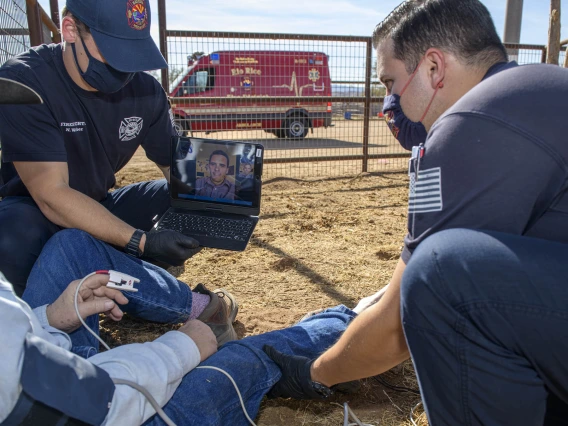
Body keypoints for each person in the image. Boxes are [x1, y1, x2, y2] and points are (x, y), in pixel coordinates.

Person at [263, 0, 568, 424]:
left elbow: (397, 324)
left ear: (433, 68)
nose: (391, 101)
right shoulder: (543, 82)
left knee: (441, 274)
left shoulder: (470, 122)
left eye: (391, 83)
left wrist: (314, 373)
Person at [3, 228, 361, 426]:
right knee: (237, 363)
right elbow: (104, 402)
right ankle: (357, 322)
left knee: (70, 245)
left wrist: (47, 318)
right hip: (94, 406)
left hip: (44, 370)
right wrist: (183, 347)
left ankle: (203, 307)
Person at [0, 0, 200, 297]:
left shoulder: (145, 91)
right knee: (11, 234)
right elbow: (51, 194)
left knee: (186, 199)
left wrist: (222, 199)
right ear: (70, 30)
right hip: (36, 213)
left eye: (134, 53)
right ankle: (49, 308)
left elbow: (176, 166)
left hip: (99, 203)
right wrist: (140, 241)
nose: (125, 68)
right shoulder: (25, 82)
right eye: (113, 51)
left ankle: (111, 267)